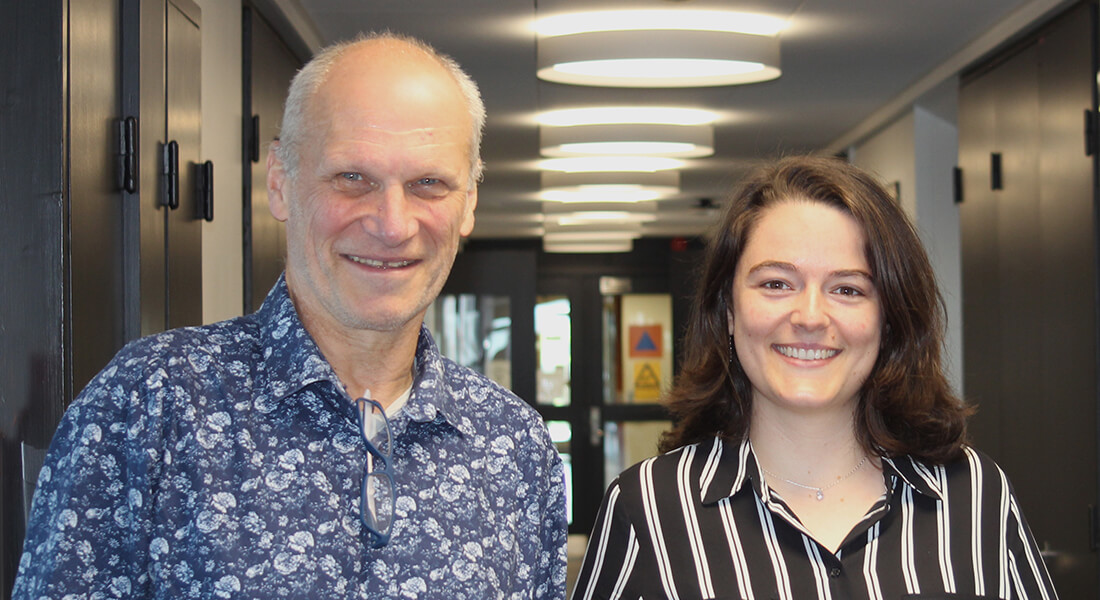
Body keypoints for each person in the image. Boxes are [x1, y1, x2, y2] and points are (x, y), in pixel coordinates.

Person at [14, 32, 567, 598]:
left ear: (469, 203)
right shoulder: (151, 404)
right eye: (352, 178)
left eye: (429, 184)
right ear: (280, 181)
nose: (393, 223)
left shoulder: (514, 448)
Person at [571, 155, 1057, 599]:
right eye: (777, 283)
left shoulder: (973, 495)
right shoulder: (650, 509)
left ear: (888, 320)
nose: (809, 316)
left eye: (847, 289)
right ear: (728, 310)